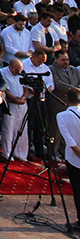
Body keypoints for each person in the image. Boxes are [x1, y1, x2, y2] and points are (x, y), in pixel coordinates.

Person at [54, 87, 80, 233]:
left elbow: (68, 139)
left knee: (77, 189)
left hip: (74, 158)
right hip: (75, 156)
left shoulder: (61, 116)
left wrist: (78, 152)